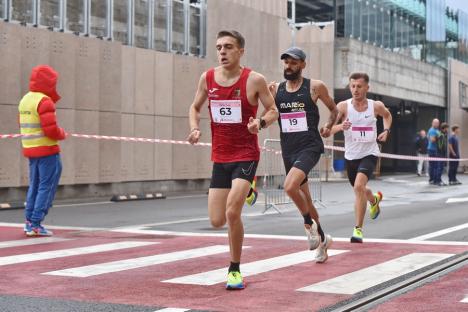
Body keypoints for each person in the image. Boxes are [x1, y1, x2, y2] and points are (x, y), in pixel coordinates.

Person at [187, 30, 278, 290]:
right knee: (216, 220)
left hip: (246, 154)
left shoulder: (254, 80)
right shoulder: (207, 78)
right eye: (219, 47)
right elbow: (194, 107)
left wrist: (259, 123)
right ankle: (249, 189)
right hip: (220, 156)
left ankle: (235, 269)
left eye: (228, 46)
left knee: (231, 211)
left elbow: (273, 110)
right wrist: (194, 127)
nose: (222, 51)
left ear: (240, 51)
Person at [268, 47, 338, 263]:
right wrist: (257, 121)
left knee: (289, 187)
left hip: (309, 146)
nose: (289, 66)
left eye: (294, 63)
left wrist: (328, 126)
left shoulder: (315, 87)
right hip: (288, 148)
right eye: (286, 62)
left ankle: (308, 225)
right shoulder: (276, 89)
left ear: (303, 65)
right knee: (306, 199)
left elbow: (334, 110)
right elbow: (268, 113)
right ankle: (324, 240)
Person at [330, 72, 392, 243]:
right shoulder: (343, 106)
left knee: (358, 186)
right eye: (352, 86)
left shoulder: (375, 106)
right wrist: (340, 126)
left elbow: (387, 116)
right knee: (361, 190)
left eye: (359, 86)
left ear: (367, 87)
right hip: (351, 155)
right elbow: (328, 130)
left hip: (370, 153)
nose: (355, 90)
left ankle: (358, 230)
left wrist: (386, 130)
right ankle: (374, 200)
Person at [19, 65, 66, 237]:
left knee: (35, 185)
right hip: (47, 150)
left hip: (31, 149)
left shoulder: (25, 99)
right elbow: (51, 130)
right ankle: (37, 223)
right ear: (48, 82)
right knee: (46, 186)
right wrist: (62, 134)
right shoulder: (44, 101)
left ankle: (29, 222)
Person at [427, 118, 444, 186]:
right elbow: (432, 140)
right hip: (432, 150)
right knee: (434, 166)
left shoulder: (437, 130)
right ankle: (433, 179)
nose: (437, 124)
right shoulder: (432, 130)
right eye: (435, 123)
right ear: (432, 123)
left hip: (436, 149)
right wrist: (438, 137)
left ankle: (436, 179)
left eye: (438, 123)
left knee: (436, 165)